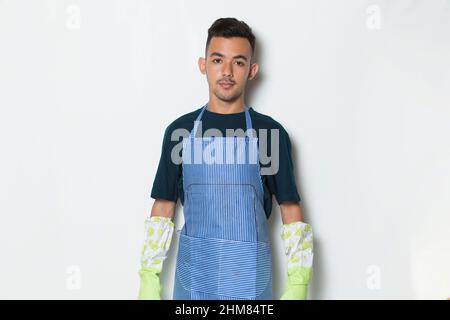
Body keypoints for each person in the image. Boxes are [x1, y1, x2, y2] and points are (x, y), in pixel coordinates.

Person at [138, 17, 314, 300]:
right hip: (195, 277)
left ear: (252, 70)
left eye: (239, 62)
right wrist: (148, 275)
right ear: (203, 64)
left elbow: (290, 212)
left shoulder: (269, 133)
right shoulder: (179, 132)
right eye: (218, 60)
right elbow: (163, 208)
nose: (228, 71)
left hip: (249, 279)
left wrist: (299, 281)